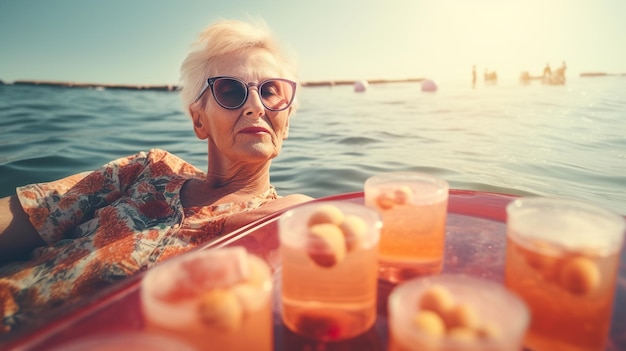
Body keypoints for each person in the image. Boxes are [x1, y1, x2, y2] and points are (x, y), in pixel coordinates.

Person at [0, 19, 312, 333]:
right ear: (198, 120)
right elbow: (28, 217)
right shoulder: (147, 170)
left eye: (271, 91)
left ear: (286, 122)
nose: (256, 106)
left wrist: (299, 223)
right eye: (230, 91)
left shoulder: (286, 224)